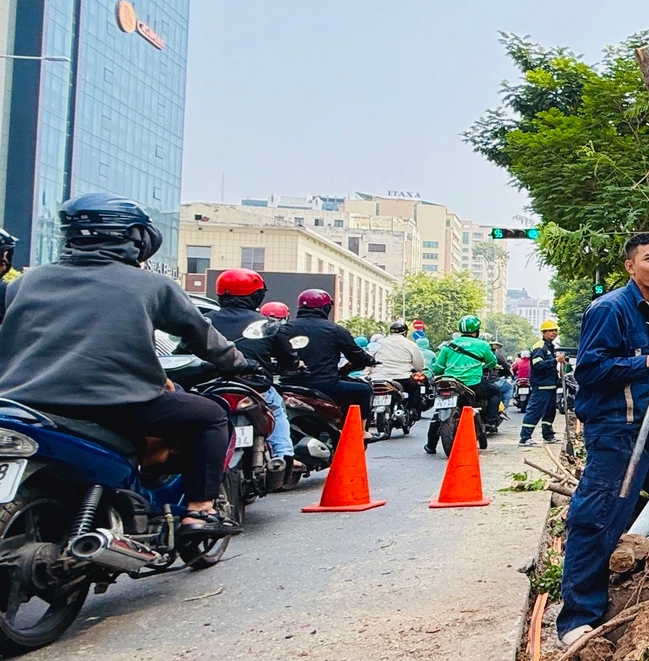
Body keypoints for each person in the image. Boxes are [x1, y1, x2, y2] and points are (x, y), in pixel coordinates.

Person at [0, 194, 250, 533]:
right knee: (210, 416)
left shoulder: (25, 282)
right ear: (135, 237)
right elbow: (203, 337)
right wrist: (239, 363)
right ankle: (200, 511)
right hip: (115, 404)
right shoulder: (153, 285)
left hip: (23, 404)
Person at [557, 232, 649, 653]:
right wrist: (646, 362)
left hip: (648, 424)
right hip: (617, 428)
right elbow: (589, 370)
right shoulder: (610, 309)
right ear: (630, 266)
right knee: (600, 513)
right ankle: (578, 618)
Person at [209, 268, 301, 463]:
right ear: (257, 296)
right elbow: (288, 359)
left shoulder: (204, 321)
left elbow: (181, 353)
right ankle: (284, 456)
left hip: (209, 386)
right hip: (255, 387)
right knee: (277, 409)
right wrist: (293, 365)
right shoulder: (268, 324)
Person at [290, 288, 376, 429]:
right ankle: (361, 431)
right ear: (326, 308)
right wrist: (370, 361)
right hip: (325, 385)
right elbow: (356, 355)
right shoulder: (335, 330)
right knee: (365, 390)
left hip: (289, 384)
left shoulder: (285, 329)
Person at [426, 316, 504, 448]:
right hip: (473, 385)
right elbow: (492, 363)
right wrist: (482, 366)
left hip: (450, 383)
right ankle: (490, 422)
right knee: (496, 392)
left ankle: (430, 445)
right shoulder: (483, 345)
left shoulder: (448, 345)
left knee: (438, 413)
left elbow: (438, 368)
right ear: (477, 330)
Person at [370, 319, 430, 421]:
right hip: (402, 378)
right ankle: (412, 410)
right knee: (415, 388)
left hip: (378, 377)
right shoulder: (410, 344)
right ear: (405, 332)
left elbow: (369, 359)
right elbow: (419, 364)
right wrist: (418, 369)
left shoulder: (379, 343)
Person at [519, 319, 564, 444]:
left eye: (555, 330)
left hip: (551, 385)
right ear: (543, 332)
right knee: (534, 411)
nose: (553, 333)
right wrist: (555, 360)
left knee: (550, 413)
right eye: (550, 331)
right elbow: (538, 365)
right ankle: (525, 437)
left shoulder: (551, 346)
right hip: (541, 385)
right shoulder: (540, 347)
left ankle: (548, 435)